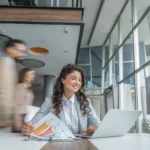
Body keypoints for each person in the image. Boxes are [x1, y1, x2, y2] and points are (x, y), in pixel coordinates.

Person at [22, 64, 100, 136]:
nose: (77, 83)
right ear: (63, 80)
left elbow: (97, 123)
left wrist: (94, 128)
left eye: (80, 80)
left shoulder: (85, 102)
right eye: (73, 79)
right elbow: (34, 123)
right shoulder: (49, 101)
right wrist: (26, 129)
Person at [0, 39, 26, 128]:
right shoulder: (2, 65)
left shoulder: (12, 68)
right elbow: (4, 93)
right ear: (9, 50)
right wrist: (7, 119)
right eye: (19, 51)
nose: (22, 54)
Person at [12, 68, 36, 132]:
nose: (33, 76)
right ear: (25, 75)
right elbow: (15, 104)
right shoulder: (20, 87)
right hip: (19, 118)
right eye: (31, 74)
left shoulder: (28, 87)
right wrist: (17, 120)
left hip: (26, 117)